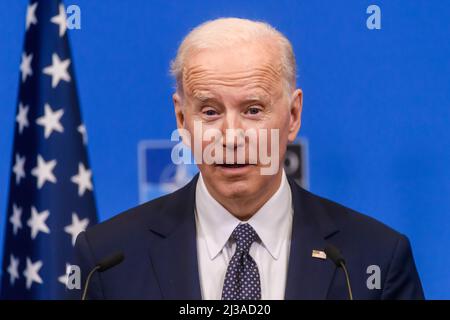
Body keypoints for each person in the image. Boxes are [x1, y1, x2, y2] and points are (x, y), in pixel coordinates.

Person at [73, 17, 424, 300]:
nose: (231, 136)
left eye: (253, 110)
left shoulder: (374, 258)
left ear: (293, 115)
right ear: (182, 120)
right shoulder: (108, 260)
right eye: (209, 112)